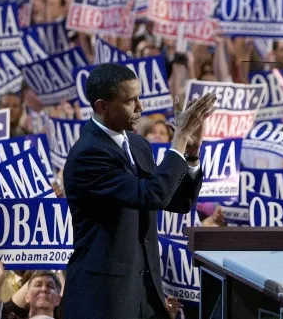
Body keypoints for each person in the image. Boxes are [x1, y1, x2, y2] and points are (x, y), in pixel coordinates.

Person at [61, 63, 216, 319]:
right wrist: (178, 138)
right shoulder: (87, 154)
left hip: (146, 294)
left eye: (139, 97)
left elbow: (177, 201)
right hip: (104, 300)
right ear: (102, 106)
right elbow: (151, 195)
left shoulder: (136, 143)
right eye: (130, 101)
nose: (140, 108)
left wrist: (190, 154)